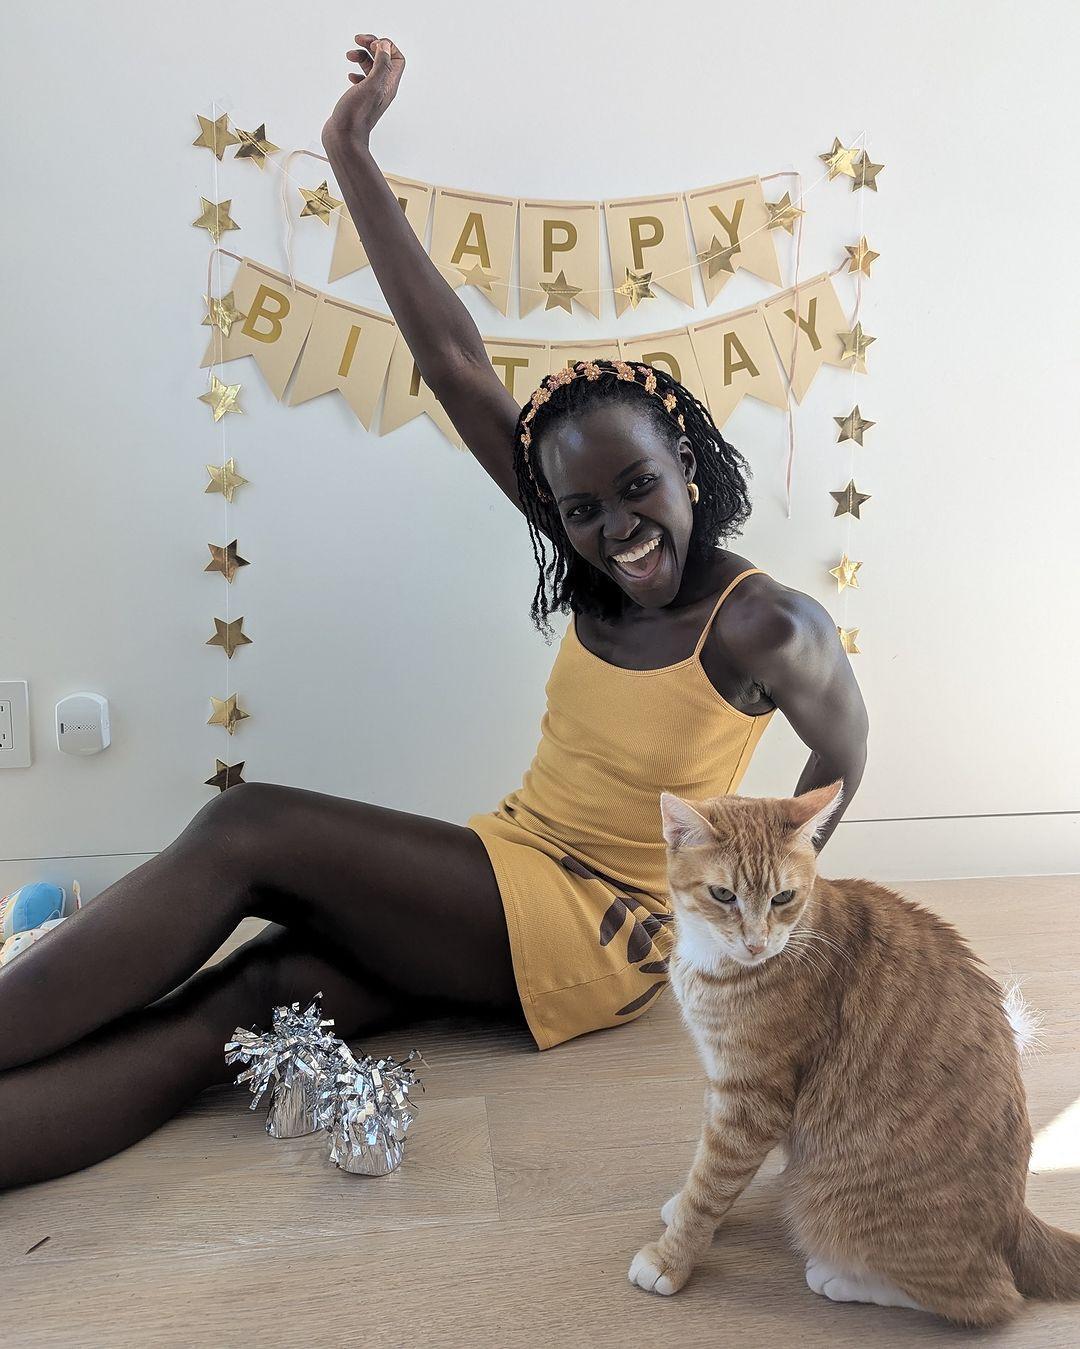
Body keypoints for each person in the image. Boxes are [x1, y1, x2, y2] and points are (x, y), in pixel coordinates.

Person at [0, 33, 868, 1189]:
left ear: (689, 467)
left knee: (247, 831)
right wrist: (349, 148)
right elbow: (453, 357)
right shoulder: (597, 554)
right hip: (507, 855)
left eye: (638, 489)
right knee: (255, 994)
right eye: (582, 508)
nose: (617, 528)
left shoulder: (770, 626)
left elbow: (842, 757)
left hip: (592, 925)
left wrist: (738, 921)